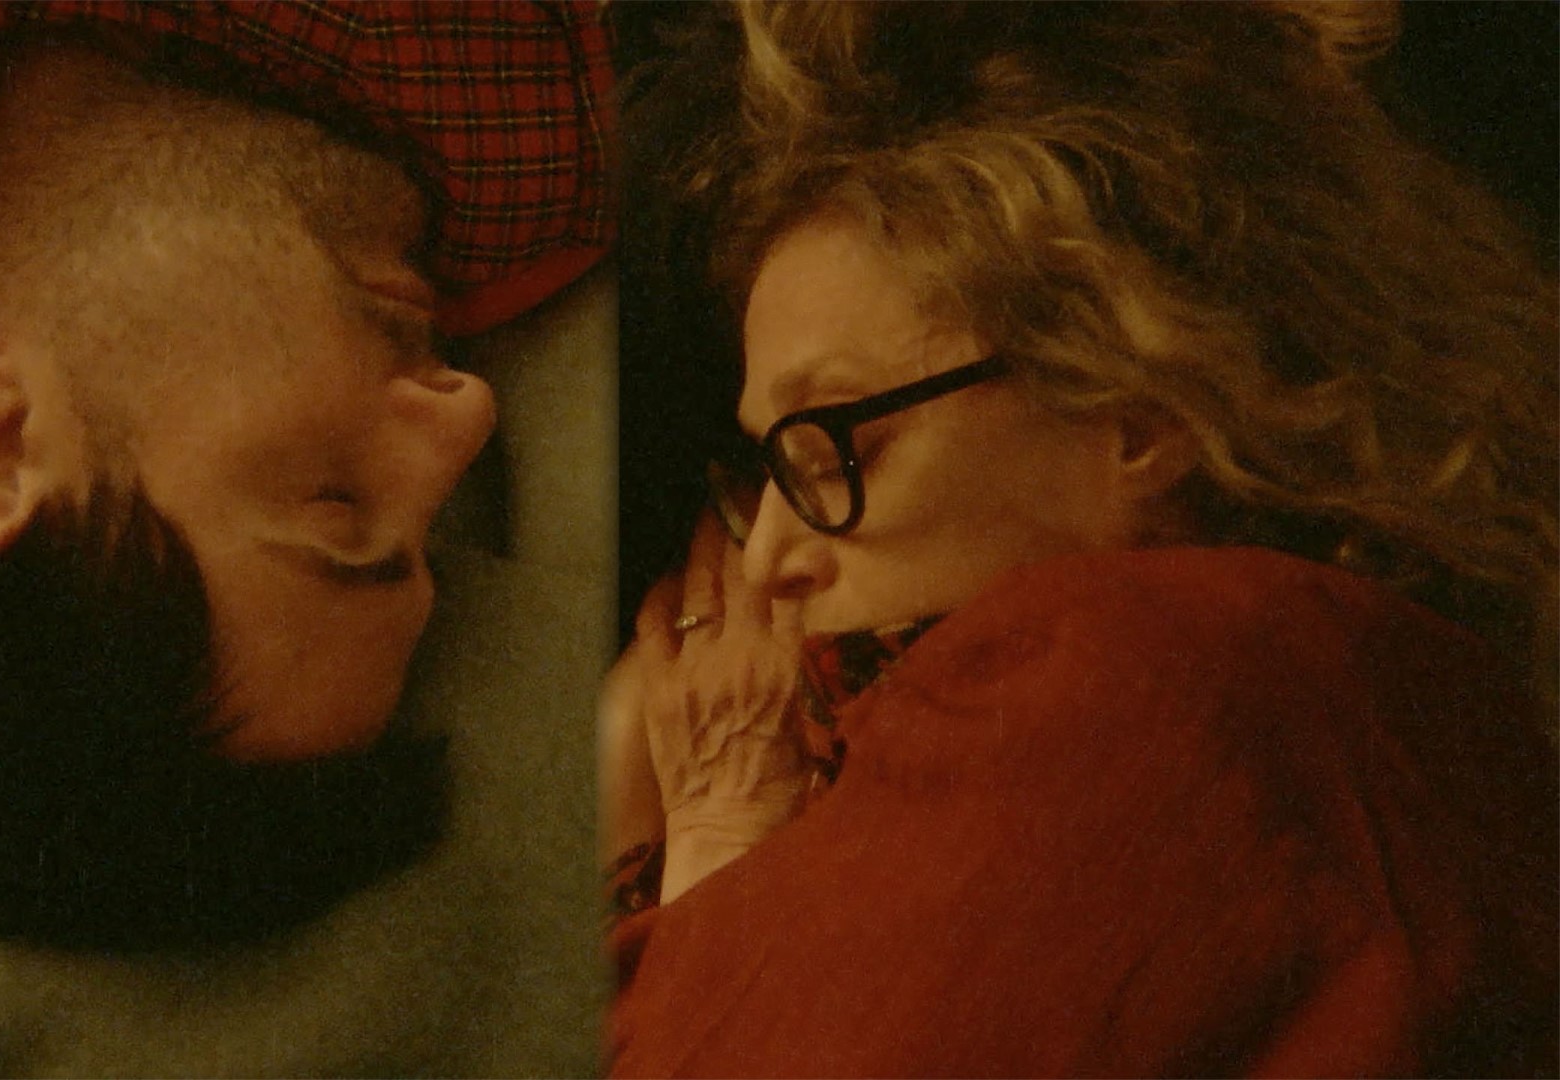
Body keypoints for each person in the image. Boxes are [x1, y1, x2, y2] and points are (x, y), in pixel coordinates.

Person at [604, 2, 1557, 1075]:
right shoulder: (1354, 676)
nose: (768, 557)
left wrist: (719, 833)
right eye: (768, 472)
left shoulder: (1142, 681)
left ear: (1139, 407)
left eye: (839, 450)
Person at [0, 3, 611, 949]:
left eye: (334, 501)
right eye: (433, 528)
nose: (467, 416)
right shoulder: (540, 167)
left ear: (1, 449)